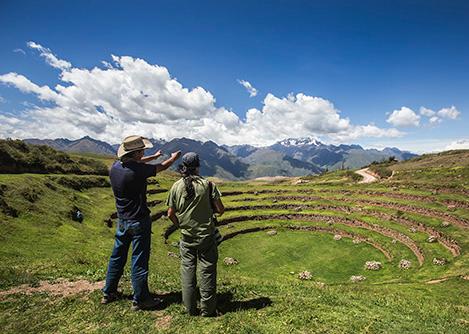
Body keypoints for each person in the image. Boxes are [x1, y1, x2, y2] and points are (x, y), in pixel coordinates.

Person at [102, 135, 181, 311]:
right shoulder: (137, 171)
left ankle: (109, 292)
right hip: (139, 221)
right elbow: (162, 167)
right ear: (136, 153)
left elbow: (135, 162)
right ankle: (141, 299)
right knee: (139, 259)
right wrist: (173, 158)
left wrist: (153, 156)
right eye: (142, 151)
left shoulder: (115, 167)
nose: (144, 152)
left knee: (117, 256)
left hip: (122, 220)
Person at [166, 152, 224, 317]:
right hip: (206, 236)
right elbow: (221, 210)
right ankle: (208, 310)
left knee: (187, 271)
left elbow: (170, 213)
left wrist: (181, 225)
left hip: (187, 236)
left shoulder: (176, 186)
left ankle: (190, 309)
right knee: (208, 271)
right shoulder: (208, 185)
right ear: (198, 166)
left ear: (184, 166)